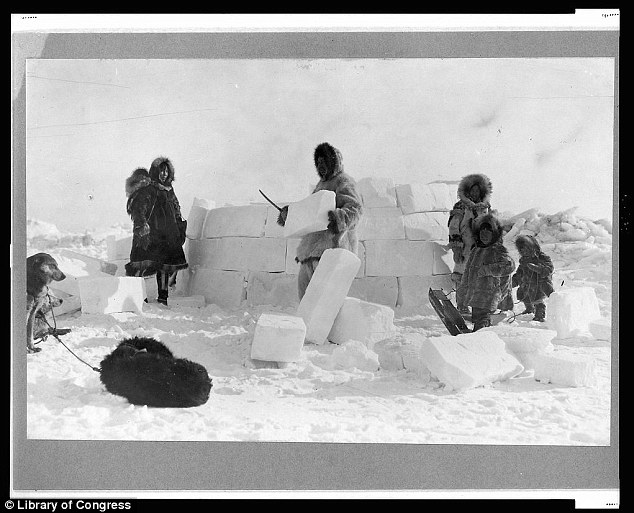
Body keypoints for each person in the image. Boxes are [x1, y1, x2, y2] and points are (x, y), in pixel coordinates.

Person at [277, 142, 363, 300]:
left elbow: (355, 209)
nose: (320, 166)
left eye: (324, 162)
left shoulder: (343, 181)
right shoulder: (321, 185)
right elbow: (311, 213)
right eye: (318, 163)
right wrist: (290, 215)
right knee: (306, 304)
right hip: (310, 253)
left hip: (331, 251)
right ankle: (306, 326)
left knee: (323, 305)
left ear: (333, 162)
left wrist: (339, 218)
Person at [124, 157, 188, 306]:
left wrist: (179, 228)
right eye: (161, 171)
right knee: (141, 267)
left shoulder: (170, 191)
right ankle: (139, 297)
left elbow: (176, 210)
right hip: (150, 235)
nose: (164, 174)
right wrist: (141, 225)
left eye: (166, 171)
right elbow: (139, 209)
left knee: (166, 267)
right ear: (155, 172)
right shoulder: (148, 189)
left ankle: (163, 298)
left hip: (168, 236)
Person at [447, 173, 493, 315]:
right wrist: (456, 248)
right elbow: (454, 227)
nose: (474, 193)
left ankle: (477, 307)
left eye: (477, 191)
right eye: (472, 190)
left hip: (481, 249)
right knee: (462, 277)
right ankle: (462, 305)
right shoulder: (461, 206)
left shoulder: (485, 207)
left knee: (479, 277)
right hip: (465, 248)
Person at [461, 214, 515, 331]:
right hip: (475, 293)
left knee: (483, 317)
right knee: (477, 316)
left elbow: (509, 265)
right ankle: (479, 333)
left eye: (488, 232)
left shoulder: (498, 250)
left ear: (494, 234)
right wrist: (463, 290)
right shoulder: (476, 250)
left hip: (490, 293)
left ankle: (480, 335)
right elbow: (467, 272)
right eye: (482, 232)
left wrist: (488, 270)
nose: (484, 235)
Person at [511, 234, 554, 322]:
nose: (524, 252)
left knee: (537, 298)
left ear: (533, 247)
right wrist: (514, 280)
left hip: (539, 283)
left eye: (526, 249)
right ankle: (529, 309)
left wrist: (537, 268)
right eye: (521, 250)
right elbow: (519, 272)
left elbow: (548, 269)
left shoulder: (542, 257)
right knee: (525, 296)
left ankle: (540, 313)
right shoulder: (523, 260)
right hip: (526, 283)